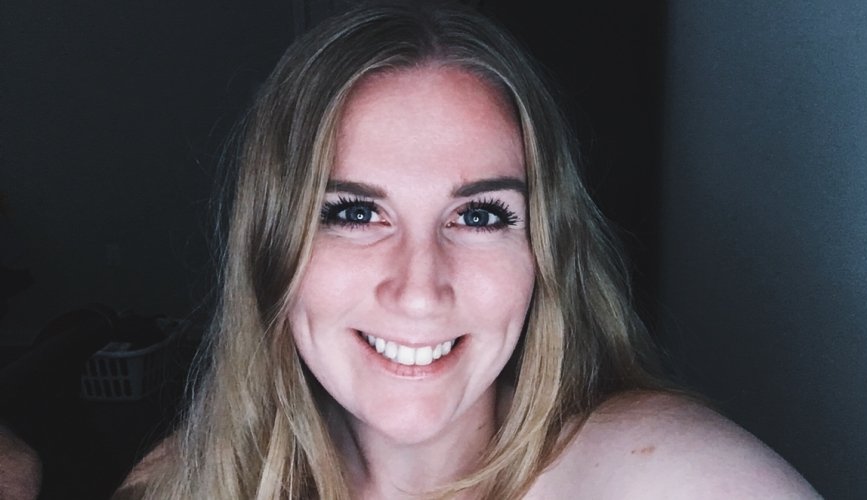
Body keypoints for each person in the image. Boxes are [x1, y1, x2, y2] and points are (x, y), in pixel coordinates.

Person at [120, 2, 819, 498]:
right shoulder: (190, 479)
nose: (420, 289)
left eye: (479, 216)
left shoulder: (654, 473)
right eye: (355, 213)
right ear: (272, 246)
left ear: (545, 254)